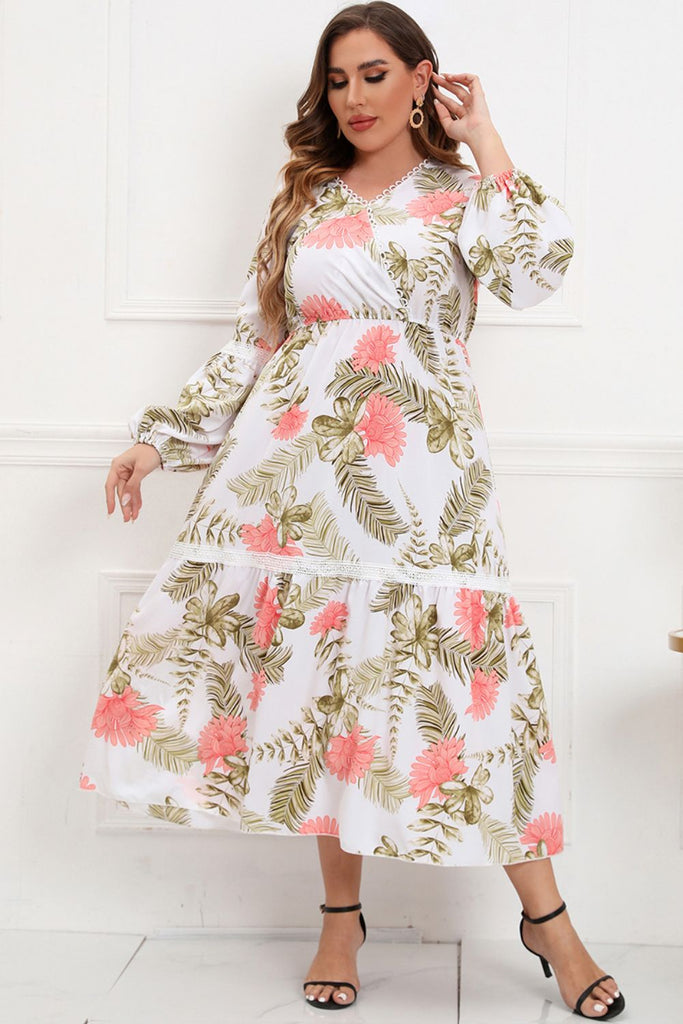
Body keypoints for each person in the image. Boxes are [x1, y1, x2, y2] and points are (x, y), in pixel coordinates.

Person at [79, 2, 624, 1018]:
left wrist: (487, 140)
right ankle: (340, 919)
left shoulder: (464, 197)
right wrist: (160, 438)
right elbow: (258, 340)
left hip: (422, 483)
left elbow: (534, 274)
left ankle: (548, 923)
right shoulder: (308, 199)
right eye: (336, 80)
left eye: (374, 74)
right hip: (293, 482)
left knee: (471, 699)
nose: (353, 98)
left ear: (423, 78)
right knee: (320, 693)